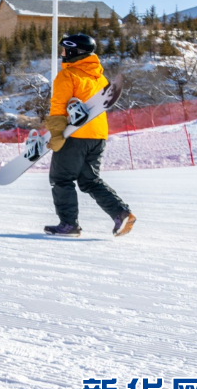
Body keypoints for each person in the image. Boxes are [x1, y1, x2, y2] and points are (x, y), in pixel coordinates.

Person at [44, 34, 136, 238]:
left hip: (74, 135)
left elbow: (58, 106)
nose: (61, 54)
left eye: (63, 50)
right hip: (98, 135)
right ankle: (121, 212)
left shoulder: (67, 76)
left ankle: (69, 225)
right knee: (89, 180)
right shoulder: (99, 77)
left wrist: (57, 134)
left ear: (73, 52)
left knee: (61, 178)